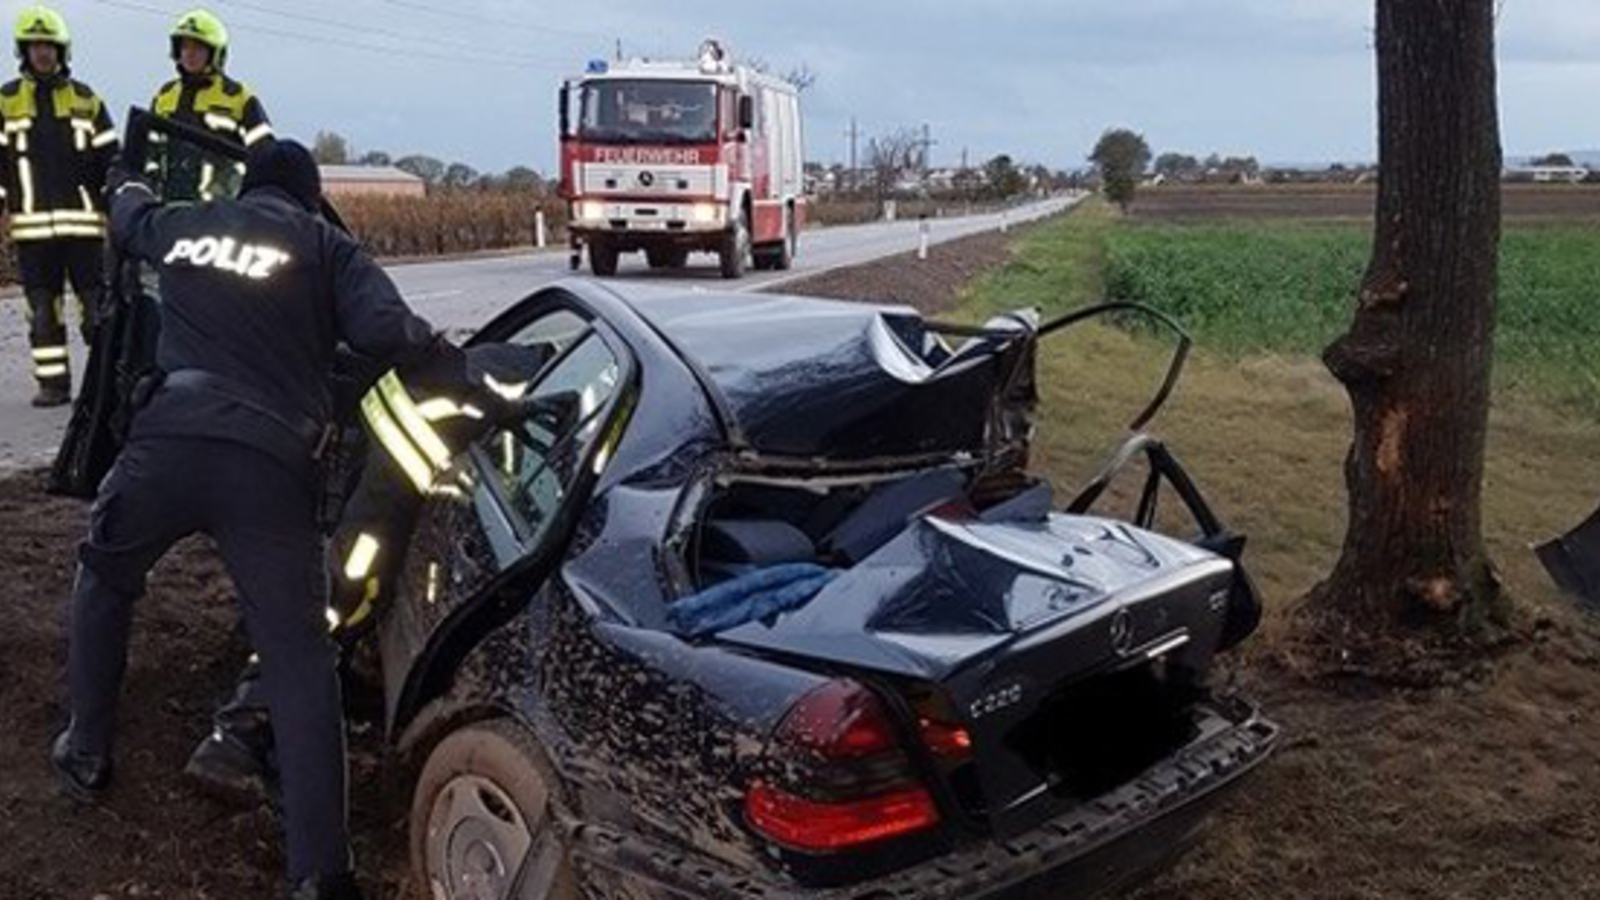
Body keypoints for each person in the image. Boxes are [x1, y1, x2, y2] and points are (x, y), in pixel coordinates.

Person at [49, 140, 462, 900]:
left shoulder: (192, 222)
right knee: (299, 661)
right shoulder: (323, 245)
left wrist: (128, 176)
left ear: (248, 187)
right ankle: (320, 873)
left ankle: (84, 747)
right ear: (307, 197)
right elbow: (384, 334)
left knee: (105, 575)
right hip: (268, 471)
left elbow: (130, 218)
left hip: (163, 446)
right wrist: (445, 357)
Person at [0, 5, 116, 407]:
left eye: (48, 46)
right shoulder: (6, 101)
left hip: (85, 229)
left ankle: (107, 386)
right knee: (42, 314)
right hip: (33, 233)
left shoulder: (87, 100)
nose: (42, 53)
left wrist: (118, 207)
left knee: (97, 314)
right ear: (24, 51)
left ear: (61, 50)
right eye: (34, 46)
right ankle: (54, 385)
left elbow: (111, 162)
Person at [150, 8, 270, 200]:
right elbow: (148, 151)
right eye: (185, 47)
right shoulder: (165, 96)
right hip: (168, 211)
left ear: (215, 53)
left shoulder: (238, 97)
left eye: (198, 48)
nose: (190, 54)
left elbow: (266, 155)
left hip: (222, 212)